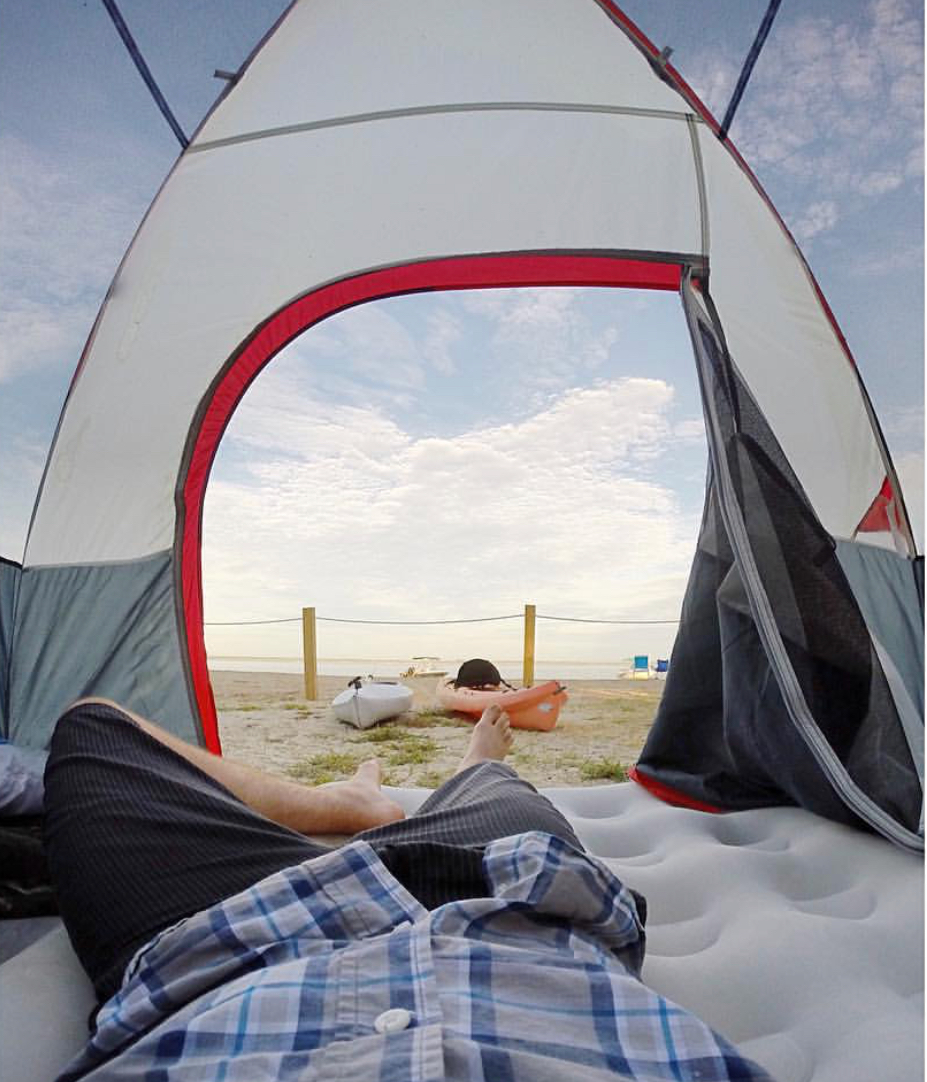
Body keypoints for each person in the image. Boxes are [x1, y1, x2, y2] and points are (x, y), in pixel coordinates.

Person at [43, 697, 774, 1081]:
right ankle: (451, 771)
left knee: (93, 728)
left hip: (217, 939)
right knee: (491, 784)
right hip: (497, 898)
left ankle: (351, 806)